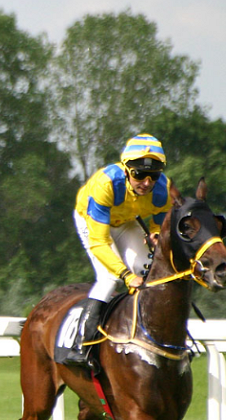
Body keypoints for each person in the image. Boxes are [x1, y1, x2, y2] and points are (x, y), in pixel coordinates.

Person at [64, 133, 172, 367]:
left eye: (153, 176)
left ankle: (149, 336)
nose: (146, 183)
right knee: (109, 277)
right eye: (139, 174)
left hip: (125, 221)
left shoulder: (163, 189)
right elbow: (100, 243)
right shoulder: (106, 184)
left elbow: (158, 221)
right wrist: (126, 276)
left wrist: (154, 233)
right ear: (126, 170)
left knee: (147, 272)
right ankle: (82, 345)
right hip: (92, 222)